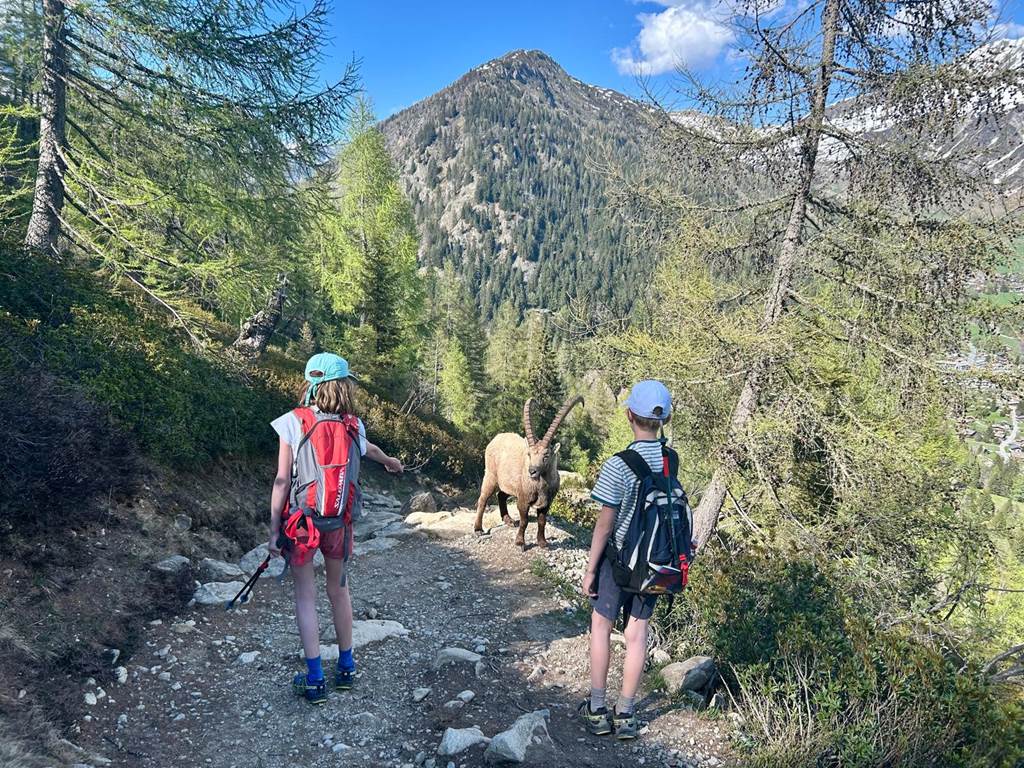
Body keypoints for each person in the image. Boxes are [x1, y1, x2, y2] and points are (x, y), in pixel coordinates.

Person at [268, 353, 403, 704]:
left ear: (311, 384)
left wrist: (272, 531)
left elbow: (282, 481)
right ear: (344, 387)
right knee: (339, 591)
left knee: (305, 597)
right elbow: (369, 449)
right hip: (338, 524)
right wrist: (389, 461)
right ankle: (346, 667)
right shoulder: (353, 426)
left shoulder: (293, 422)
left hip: (302, 524)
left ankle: (314, 679)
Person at [578, 379, 676, 739]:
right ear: (662, 419)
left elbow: (605, 525)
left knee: (601, 627)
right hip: (654, 564)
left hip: (617, 563)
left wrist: (590, 569)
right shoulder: (670, 460)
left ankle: (598, 709)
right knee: (637, 635)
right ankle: (626, 714)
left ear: (629, 415)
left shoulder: (619, 464)